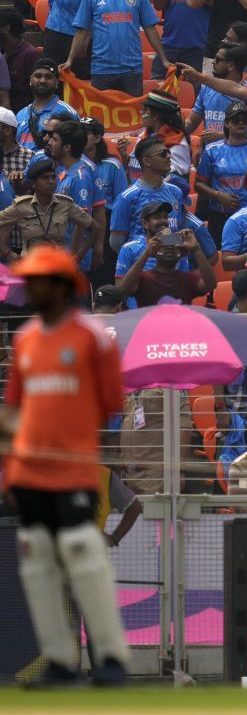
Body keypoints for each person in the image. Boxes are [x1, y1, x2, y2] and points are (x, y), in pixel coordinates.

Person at [2, 245, 133, 687]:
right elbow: (15, 409)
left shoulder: (92, 337)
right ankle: (59, 661)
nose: (30, 288)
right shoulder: (24, 340)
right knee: (37, 559)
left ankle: (112, 660)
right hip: (29, 471)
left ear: (60, 287)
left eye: (38, 281)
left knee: (82, 553)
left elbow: (110, 402)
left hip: (74, 467)